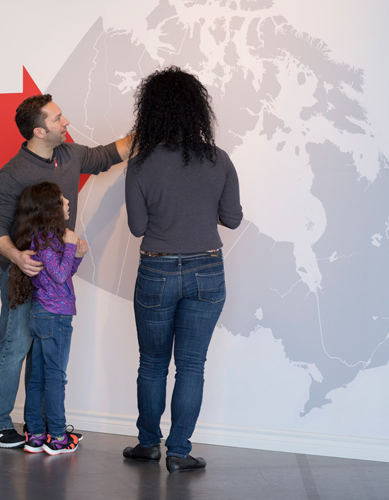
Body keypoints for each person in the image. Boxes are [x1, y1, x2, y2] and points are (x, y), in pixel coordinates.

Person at [0, 94, 132, 448]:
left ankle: (42, 427)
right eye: (58, 119)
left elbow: (110, 154)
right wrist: (17, 257)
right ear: (38, 130)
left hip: (52, 277)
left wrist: (154, 124)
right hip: (21, 273)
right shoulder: (12, 173)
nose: (66, 123)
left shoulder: (70, 155)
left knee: (43, 355)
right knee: (15, 346)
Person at [122, 66, 243, 473]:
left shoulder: (139, 165)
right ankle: (178, 452)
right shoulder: (219, 159)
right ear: (197, 110)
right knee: (192, 365)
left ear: (150, 111)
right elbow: (233, 218)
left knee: (152, 363)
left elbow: (138, 228)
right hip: (207, 270)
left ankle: (147, 444)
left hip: (156, 271)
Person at [7, 182, 87, 455]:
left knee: (39, 376)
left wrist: (76, 255)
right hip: (56, 317)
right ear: (51, 208)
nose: (68, 204)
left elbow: (62, 275)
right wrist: (69, 245)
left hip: (44, 314)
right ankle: (57, 436)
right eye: (63, 201)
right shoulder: (46, 240)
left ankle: (35, 434)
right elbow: (60, 275)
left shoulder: (45, 240)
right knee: (55, 377)